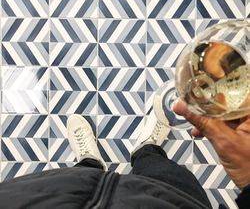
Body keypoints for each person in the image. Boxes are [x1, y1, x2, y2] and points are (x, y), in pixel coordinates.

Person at [0, 101, 249, 209]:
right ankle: (145, 150)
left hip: (45, 198)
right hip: (172, 202)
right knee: (161, 170)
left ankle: (90, 163)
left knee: (80, 175)